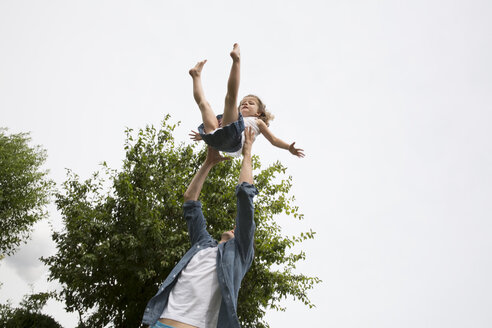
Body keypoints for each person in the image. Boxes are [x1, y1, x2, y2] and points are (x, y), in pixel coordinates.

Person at [142, 127, 259, 328]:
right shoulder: (202, 244)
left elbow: (244, 196)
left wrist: (247, 153)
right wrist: (208, 163)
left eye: (236, 228)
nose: (234, 228)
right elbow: (190, 201)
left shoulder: (240, 252)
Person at [188, 43, 305, 158]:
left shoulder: (258, 122)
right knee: (204, 105)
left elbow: (274, 140)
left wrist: (288, 147)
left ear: (258, 113)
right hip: (215, 138)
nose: (245, 103)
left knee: (230, 99)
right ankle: (196, 75)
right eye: (243, 103)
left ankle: (236, 60)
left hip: (234, 140)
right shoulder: (233, 119)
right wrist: (203, 137)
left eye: (251, 103)